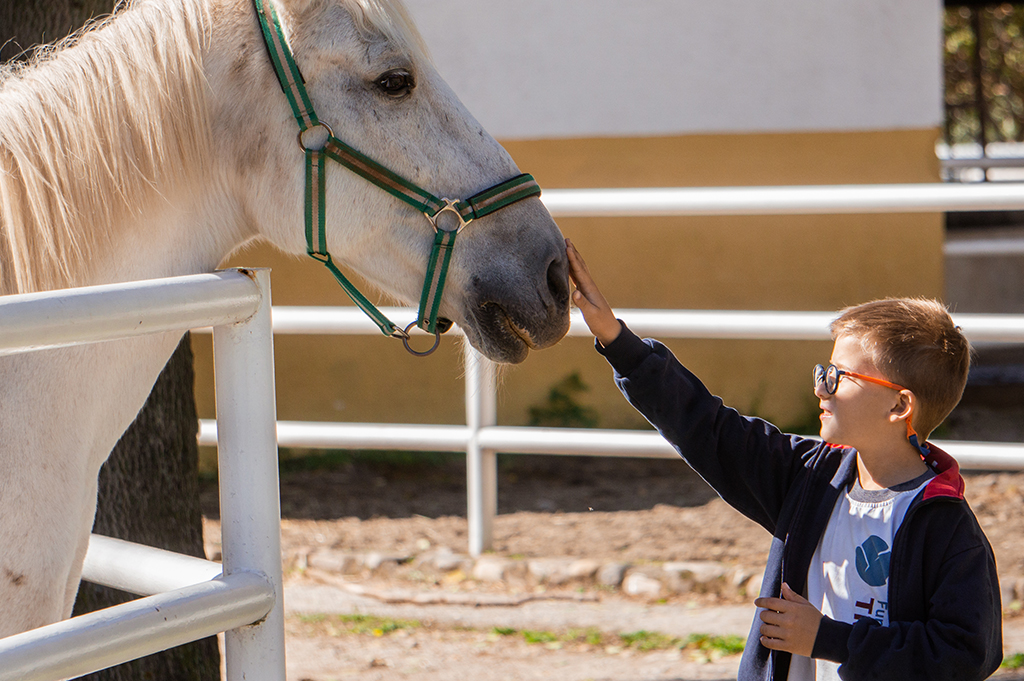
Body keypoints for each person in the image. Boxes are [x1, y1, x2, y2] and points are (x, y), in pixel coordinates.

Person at [565, 238, 1003, 681]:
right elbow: (709, 427)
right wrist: (617, 341)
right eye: (822, 372)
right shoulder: (809, 477)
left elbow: (964, 654)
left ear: (899, 406)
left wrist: (829, 639)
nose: (820, 388)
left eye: (838, 376)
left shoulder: (947, 527)